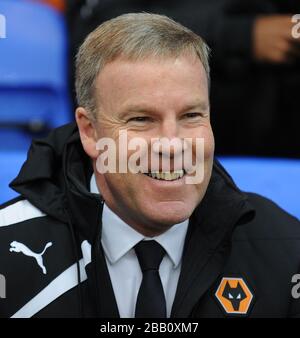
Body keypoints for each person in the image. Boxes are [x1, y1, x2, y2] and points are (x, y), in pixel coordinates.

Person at [0, 13, 299, 318]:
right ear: (89, 131)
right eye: (141, 119)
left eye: (191, 116)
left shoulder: (287, 251)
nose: (172, 145)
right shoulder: (7, 255)